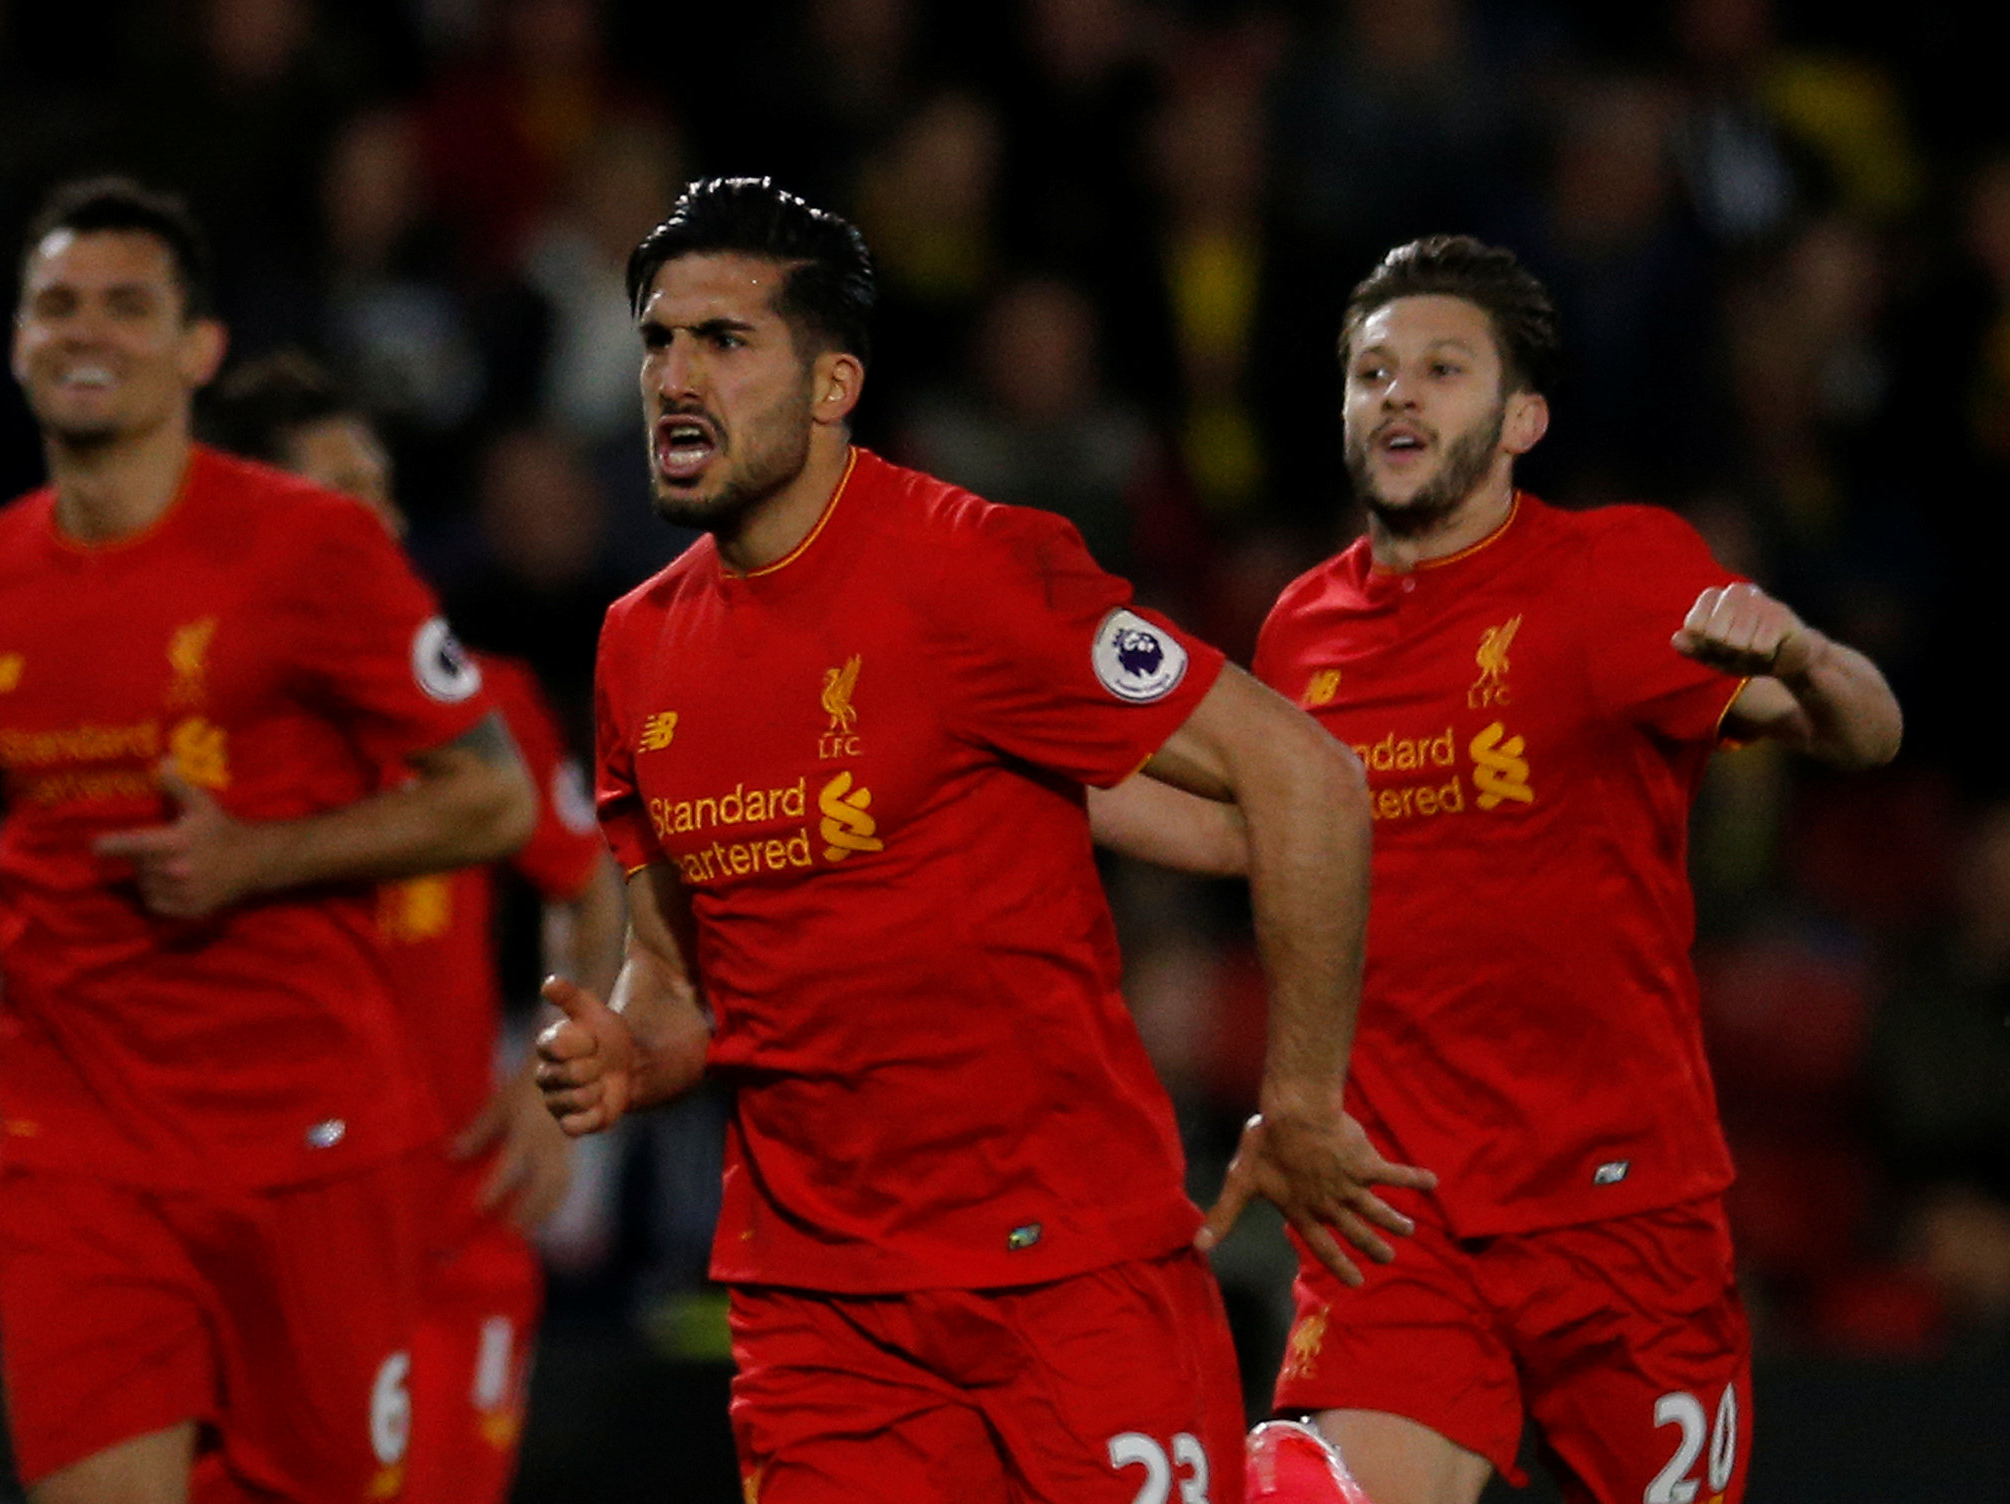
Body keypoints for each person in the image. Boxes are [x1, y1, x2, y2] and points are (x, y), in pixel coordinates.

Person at [534, 175, 1432, 1504]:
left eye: (725, 342)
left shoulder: (969, 571)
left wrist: (1299, 1102)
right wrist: (628, 1050)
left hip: (1064, 1272)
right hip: (815, 1305)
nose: (676, 375)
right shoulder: (635, 644)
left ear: (834, 384)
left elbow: (1303, 779)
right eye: (660, 338)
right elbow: (674, 989)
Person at [0, 178, 538, 1504]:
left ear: (198, 349)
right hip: (78, 1155)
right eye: (57, 304)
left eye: (129, 304)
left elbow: (495, 799)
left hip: (309, 1149)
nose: (87, 330)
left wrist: (257, 861)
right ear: (17, 341)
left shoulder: (315, 549)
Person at [1249, 235, 1903, 1504]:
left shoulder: (1612, 576)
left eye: (1441, 369)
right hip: (1400, 1206)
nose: (1397, 394)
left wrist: (1804, 655)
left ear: (1519, 419)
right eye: (1372, 371)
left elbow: (1869, 732)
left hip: (1618, 1205)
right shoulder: (1296, 632)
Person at [202, 350, 624, 1504]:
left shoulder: (486, 707)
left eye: (384, 487)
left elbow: (597, 890)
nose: (383, 518)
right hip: (266, 1253)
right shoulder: (196, 738)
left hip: (451, 1238)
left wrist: (557, 1081)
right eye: (346, 491)